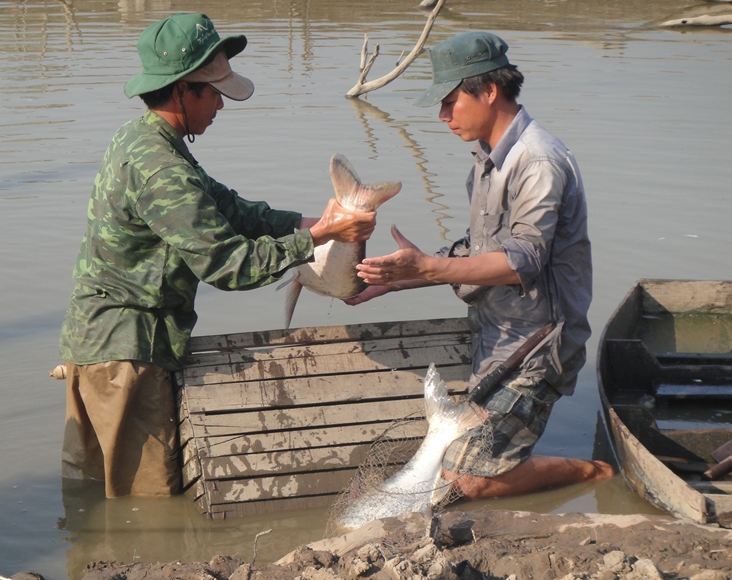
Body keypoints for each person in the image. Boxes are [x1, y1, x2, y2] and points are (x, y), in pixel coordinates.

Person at [58, 13, 376, 498]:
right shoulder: (162, 170)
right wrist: (311, 242)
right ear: (184, 90)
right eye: (215, 94)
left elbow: (227, 208)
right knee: (144, 507)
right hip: (127, 356)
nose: (221, 107)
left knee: (89, 500)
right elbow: (230, 265)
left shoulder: (144, 138)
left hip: (98, 348)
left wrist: (313, 224)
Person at [345, 31, 613, 499]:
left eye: (450, 101)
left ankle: (594, 474)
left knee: (466, 482)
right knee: (450, 469)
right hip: (497, 341)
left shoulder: (538, 161)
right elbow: (480, 248)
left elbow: (522, 260)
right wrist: (403, 278)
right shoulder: (485, 163)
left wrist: (429, 268)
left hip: (538, 348)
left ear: (489, 91)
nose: (443, 115)